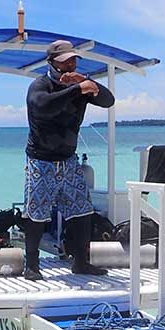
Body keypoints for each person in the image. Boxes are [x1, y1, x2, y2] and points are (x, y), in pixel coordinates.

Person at [22, 39, 116, 281]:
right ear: (52, 63)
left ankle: (81, 262)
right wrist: (77, 90)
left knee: (82, 211)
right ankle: (31, 265)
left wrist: (88, 83)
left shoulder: (80, 85)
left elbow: (108, 100)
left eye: (73, 60)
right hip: (41, 161)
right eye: (65, 61)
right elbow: (43, 107)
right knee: (36, 213)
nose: (70, 65)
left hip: (68, 160)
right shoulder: (39, 86)